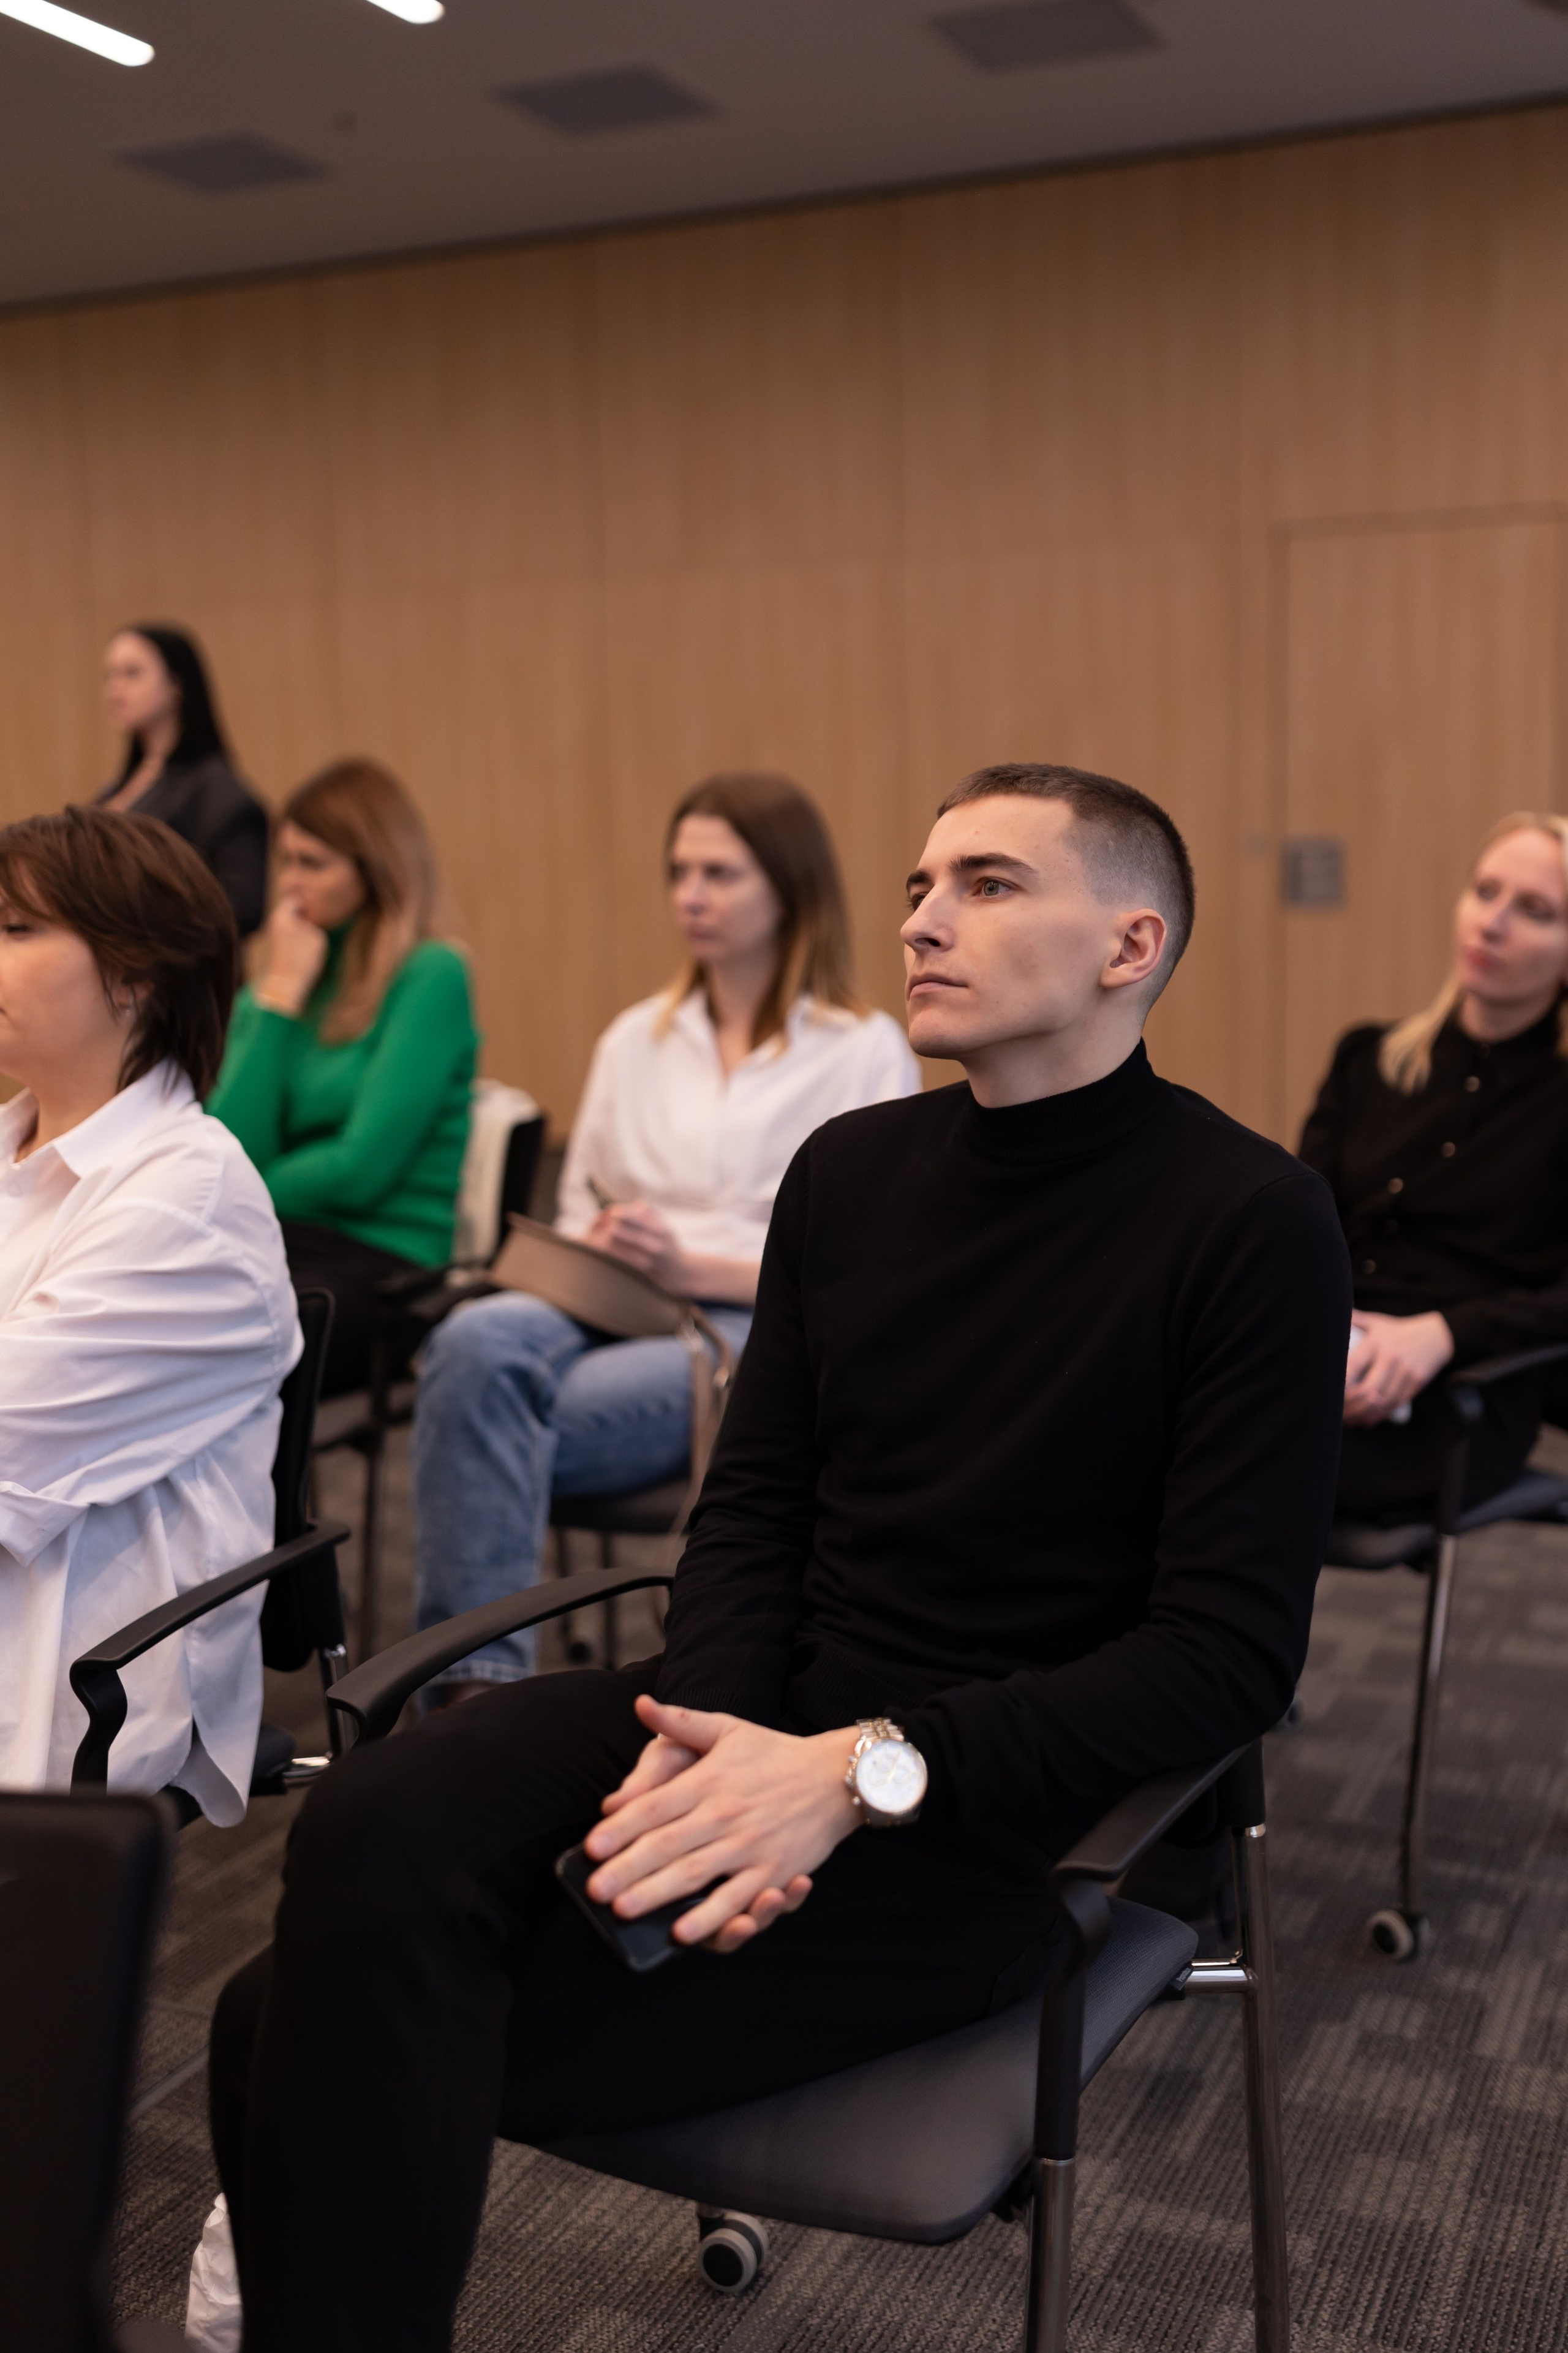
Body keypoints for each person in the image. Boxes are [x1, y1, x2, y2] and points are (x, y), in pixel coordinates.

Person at [206, 761, 1350, 2350]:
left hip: (982, 1823)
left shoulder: (1252, 1222)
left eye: (990, 884)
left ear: (1129, 945)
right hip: (747, 1719)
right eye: (919, 883)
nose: (925, 918)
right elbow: (751, 1513)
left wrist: (849, 1777)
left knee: (282, 2024)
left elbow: (1229, 1659)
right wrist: (728, 1744)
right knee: (382, 1810)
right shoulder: (853, 1174)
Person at [411, 771, 919, 1693]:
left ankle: (464, 1692)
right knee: (471, 1337)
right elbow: (576, 1207)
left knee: (478, 1417)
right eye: (681, 871)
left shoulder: (862, 1046)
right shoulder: (634, 1037)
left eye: (720, 873)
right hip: (610, 1298)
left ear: (790, 886)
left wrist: (697, 1263)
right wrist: (602, 1239)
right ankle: (470, 1686)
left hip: (752, 1321)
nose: (690, 895)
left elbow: (867, 1264)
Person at [0, 807, 300, 1823]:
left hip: (65, 1683)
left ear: (136, 976)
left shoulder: (189, 1195)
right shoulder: (15, 1151)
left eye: (14, 928)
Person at [1300, 809, 1568, 1522]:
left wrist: (1441, 1332)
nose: (1493, 924)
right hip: (1319, 1351)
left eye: (1536, 911)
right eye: (1485, 892)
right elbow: (1301, 1223)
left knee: (1213, 1469)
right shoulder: (1368, 1059)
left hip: (1461, 1392)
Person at [208, 758, 478, 1400]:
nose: (291, 886)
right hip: (281, 1238)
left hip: (385, 1261)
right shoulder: (284, 982)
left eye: (314, 863)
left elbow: (362, 1168)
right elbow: (229, 1148)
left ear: (374, 867)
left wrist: (245, 1191)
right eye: (286, 861)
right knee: (159, 1313)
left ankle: (259, 1505)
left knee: (230, 1345)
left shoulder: (430, 975)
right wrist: (279, 999)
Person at [99, 624, 270, 938]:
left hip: (181, 977)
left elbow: (243, 906)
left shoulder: (219, 793)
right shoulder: (117, 787)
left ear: (176, 684)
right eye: (110, 675)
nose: (115, 688)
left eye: (132, 673)